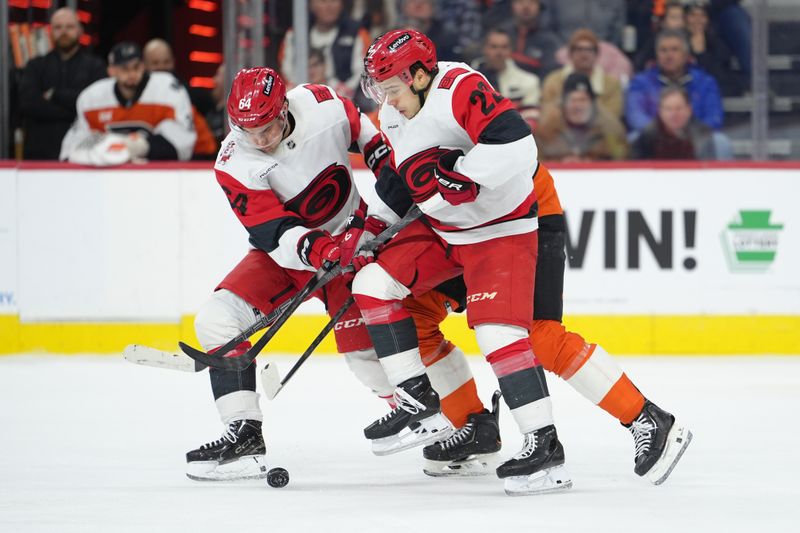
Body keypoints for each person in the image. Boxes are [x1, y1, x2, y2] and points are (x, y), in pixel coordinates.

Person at [354, 29, 571, 496]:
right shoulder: (393, 111)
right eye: (381, 91)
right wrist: (371, 229)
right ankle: (423, 404)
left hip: (500, 232)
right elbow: (399, 182)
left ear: (417, 75)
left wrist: (463, 177)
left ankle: (546, 445)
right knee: (372, 285)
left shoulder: (459, 88)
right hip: (449, 234)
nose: (387, 102)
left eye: (392, 88)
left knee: (502, 333)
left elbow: (518, 146)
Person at [401, 163, 692, 486]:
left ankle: (647, 418)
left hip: (524, 219)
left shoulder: (465, 114)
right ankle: (474, 427)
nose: (391, 107)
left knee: (538, 333)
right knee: (412, 317)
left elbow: (505, 151)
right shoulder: (396, 121)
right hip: (462, 231)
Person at [185, 67, 397, 481]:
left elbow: (371, 141)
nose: (260, 141)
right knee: (216, 320)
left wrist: (391, 180)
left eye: (267, 128)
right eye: (249, 132)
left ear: (284, 109)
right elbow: (270, 230)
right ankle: (243, 433)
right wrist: (319, 249)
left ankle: (461, 423)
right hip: (289, 257)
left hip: (353, 245)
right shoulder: (232, 160)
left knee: (368, 360)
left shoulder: (321, 103)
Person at [59, 42, 196, 165]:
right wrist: (102, 153)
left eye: (136, 67)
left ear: (143, 66)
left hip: (156, 176)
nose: (131, 73)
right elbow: (71, 149)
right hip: (105, 178)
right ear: (111, 70)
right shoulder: (92, 98)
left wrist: (145, 146)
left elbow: (183, 143)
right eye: (124, 68)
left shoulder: (168, 90)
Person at [18, 7, 106, 160]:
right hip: (40, 156)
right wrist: (74, 111)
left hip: (84, 155)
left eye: (69, 26)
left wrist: (54, 94)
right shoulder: (35, 66)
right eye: (58, 27)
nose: (64, 32)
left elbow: (98, 105)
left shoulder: (96, 66)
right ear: (50, 32)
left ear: (80, 30)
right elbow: (28, 104)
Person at [625, 29, 723, 136]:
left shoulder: (705, 82)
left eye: (675, 50)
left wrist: (686, 134)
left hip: (695, 137)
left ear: (686, 54)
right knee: (634, 137)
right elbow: (635, 115)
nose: (669, 55)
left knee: (719, 141)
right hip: (654, 137)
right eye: (663, 50)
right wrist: (663, 133)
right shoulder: (640, 82)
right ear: (656, 54)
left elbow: (714, 118)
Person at [142, 38, 218, 159]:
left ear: (173, 62)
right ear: (144, 65)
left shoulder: (190, 95)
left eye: (166, 62)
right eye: (155, 63)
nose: (161, 67)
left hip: (193, 158)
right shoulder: (136, 96)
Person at [279, 0, 371, 98]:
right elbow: (285, 73)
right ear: (311, 4)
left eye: (334, 1)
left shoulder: (358, 33)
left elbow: (366, 75)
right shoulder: (294, 34)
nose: (329, 6)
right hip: (302, 99)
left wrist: (339, 95)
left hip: (347, 102)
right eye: (323, 1)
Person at [536, 73, 628, 162]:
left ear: (592, 103)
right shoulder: (545, 128)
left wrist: (592, 162)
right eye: (573, 100)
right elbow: (535, 163)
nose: (578, 106)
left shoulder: (610, 128)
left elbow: (622, 161)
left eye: (583, 100)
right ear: (563, 103)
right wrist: (560, 162)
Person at [631, 86, 732, 160]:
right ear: (660, 112)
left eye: (678, 108)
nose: (674, 114)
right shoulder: (647, 136)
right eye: (668, 109)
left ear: (689, 110)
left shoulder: (703, 135)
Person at [541, 28, 623, 118]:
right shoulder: (553, 81)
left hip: (600, 130)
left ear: (597, 54)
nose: (584, 54)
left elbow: (613, 118)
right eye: (579, 49)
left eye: (589, 49)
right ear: (570, 54)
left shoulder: (612, 84)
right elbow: (546, 112)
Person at [498, 0, 562, 77]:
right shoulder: (500, 33)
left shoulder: (549, 40)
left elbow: (549, 74)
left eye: (531, 2)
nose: (526, 7)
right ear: (512, 5)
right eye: (520, 2)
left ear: (539, 7)